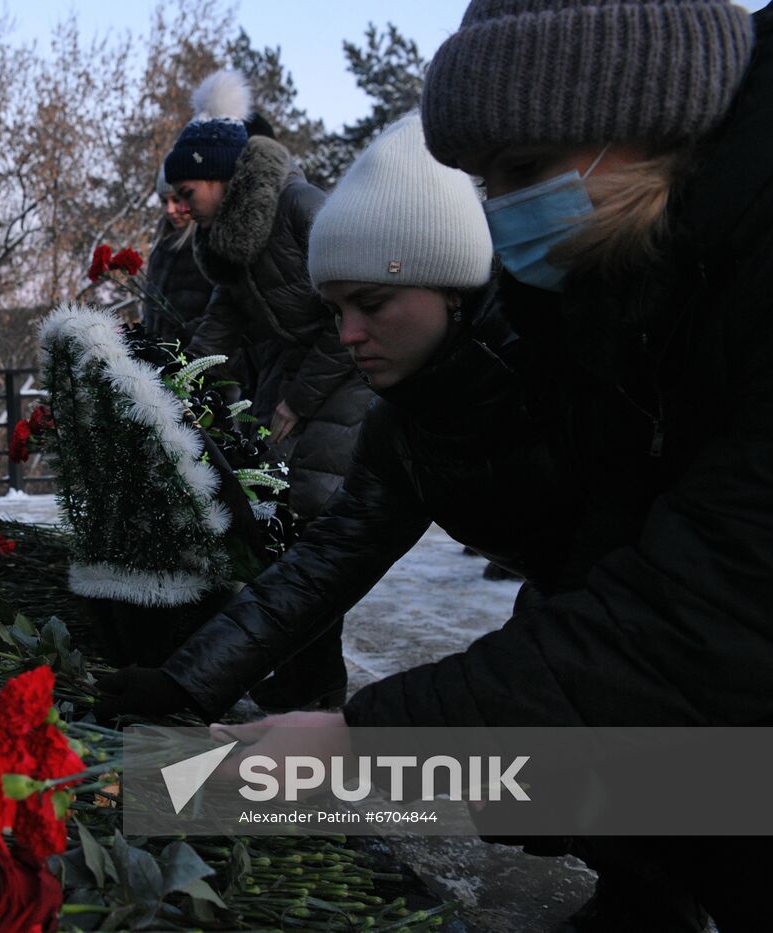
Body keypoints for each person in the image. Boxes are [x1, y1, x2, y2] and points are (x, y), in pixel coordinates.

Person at [214, 2, 772, 928]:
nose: (503, 210)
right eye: (486, 181)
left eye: (521, 171)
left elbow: (707, 612)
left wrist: (370, 750)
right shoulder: (613, 274)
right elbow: (609, 553)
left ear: (644, 107)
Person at [96, 112, 581, 720]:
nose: (349, 335)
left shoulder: (567, 371)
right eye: (334, 310)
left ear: (451, 284)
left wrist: (363, 733)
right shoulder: (405, 423)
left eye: (372, 304)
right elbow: (323, 566)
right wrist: (185, 683)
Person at [164, 70, 373, 709]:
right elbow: (218, 323)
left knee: (309, 531)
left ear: (222, 179)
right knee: (286, 534)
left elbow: (355, 315)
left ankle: (317, 692)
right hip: (298, 387)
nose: (175, 206)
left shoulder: (302, 208)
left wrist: (296, 400)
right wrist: (169, 379)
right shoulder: (227, 238)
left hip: (344, 386)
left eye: (184, 191)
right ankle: (305, 680)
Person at [139, 165, 213, 347]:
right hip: (162, 363)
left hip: (199, 362)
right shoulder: (160, 248)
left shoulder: (208, 247)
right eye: (164, 202)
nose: (170, 210)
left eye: (176, 199)